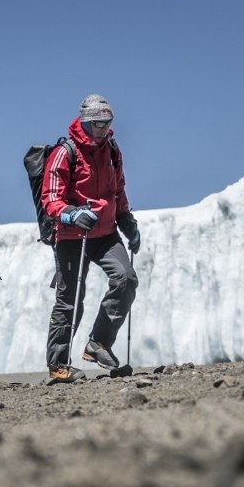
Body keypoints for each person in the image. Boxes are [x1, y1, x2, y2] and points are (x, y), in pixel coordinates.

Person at [42, 94, 141, 382]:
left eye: (108, 122)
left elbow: (118, 189)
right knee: (70, 301)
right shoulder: (65, 152)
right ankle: (58, 364)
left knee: (126, 278)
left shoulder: (111, 148)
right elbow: (50, 198)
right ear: (86, 121)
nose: (104, 127)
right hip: (72, 236)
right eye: (98, 122)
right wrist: (70, 213)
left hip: (106, 232)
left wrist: (128, 223)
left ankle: (98, 343)